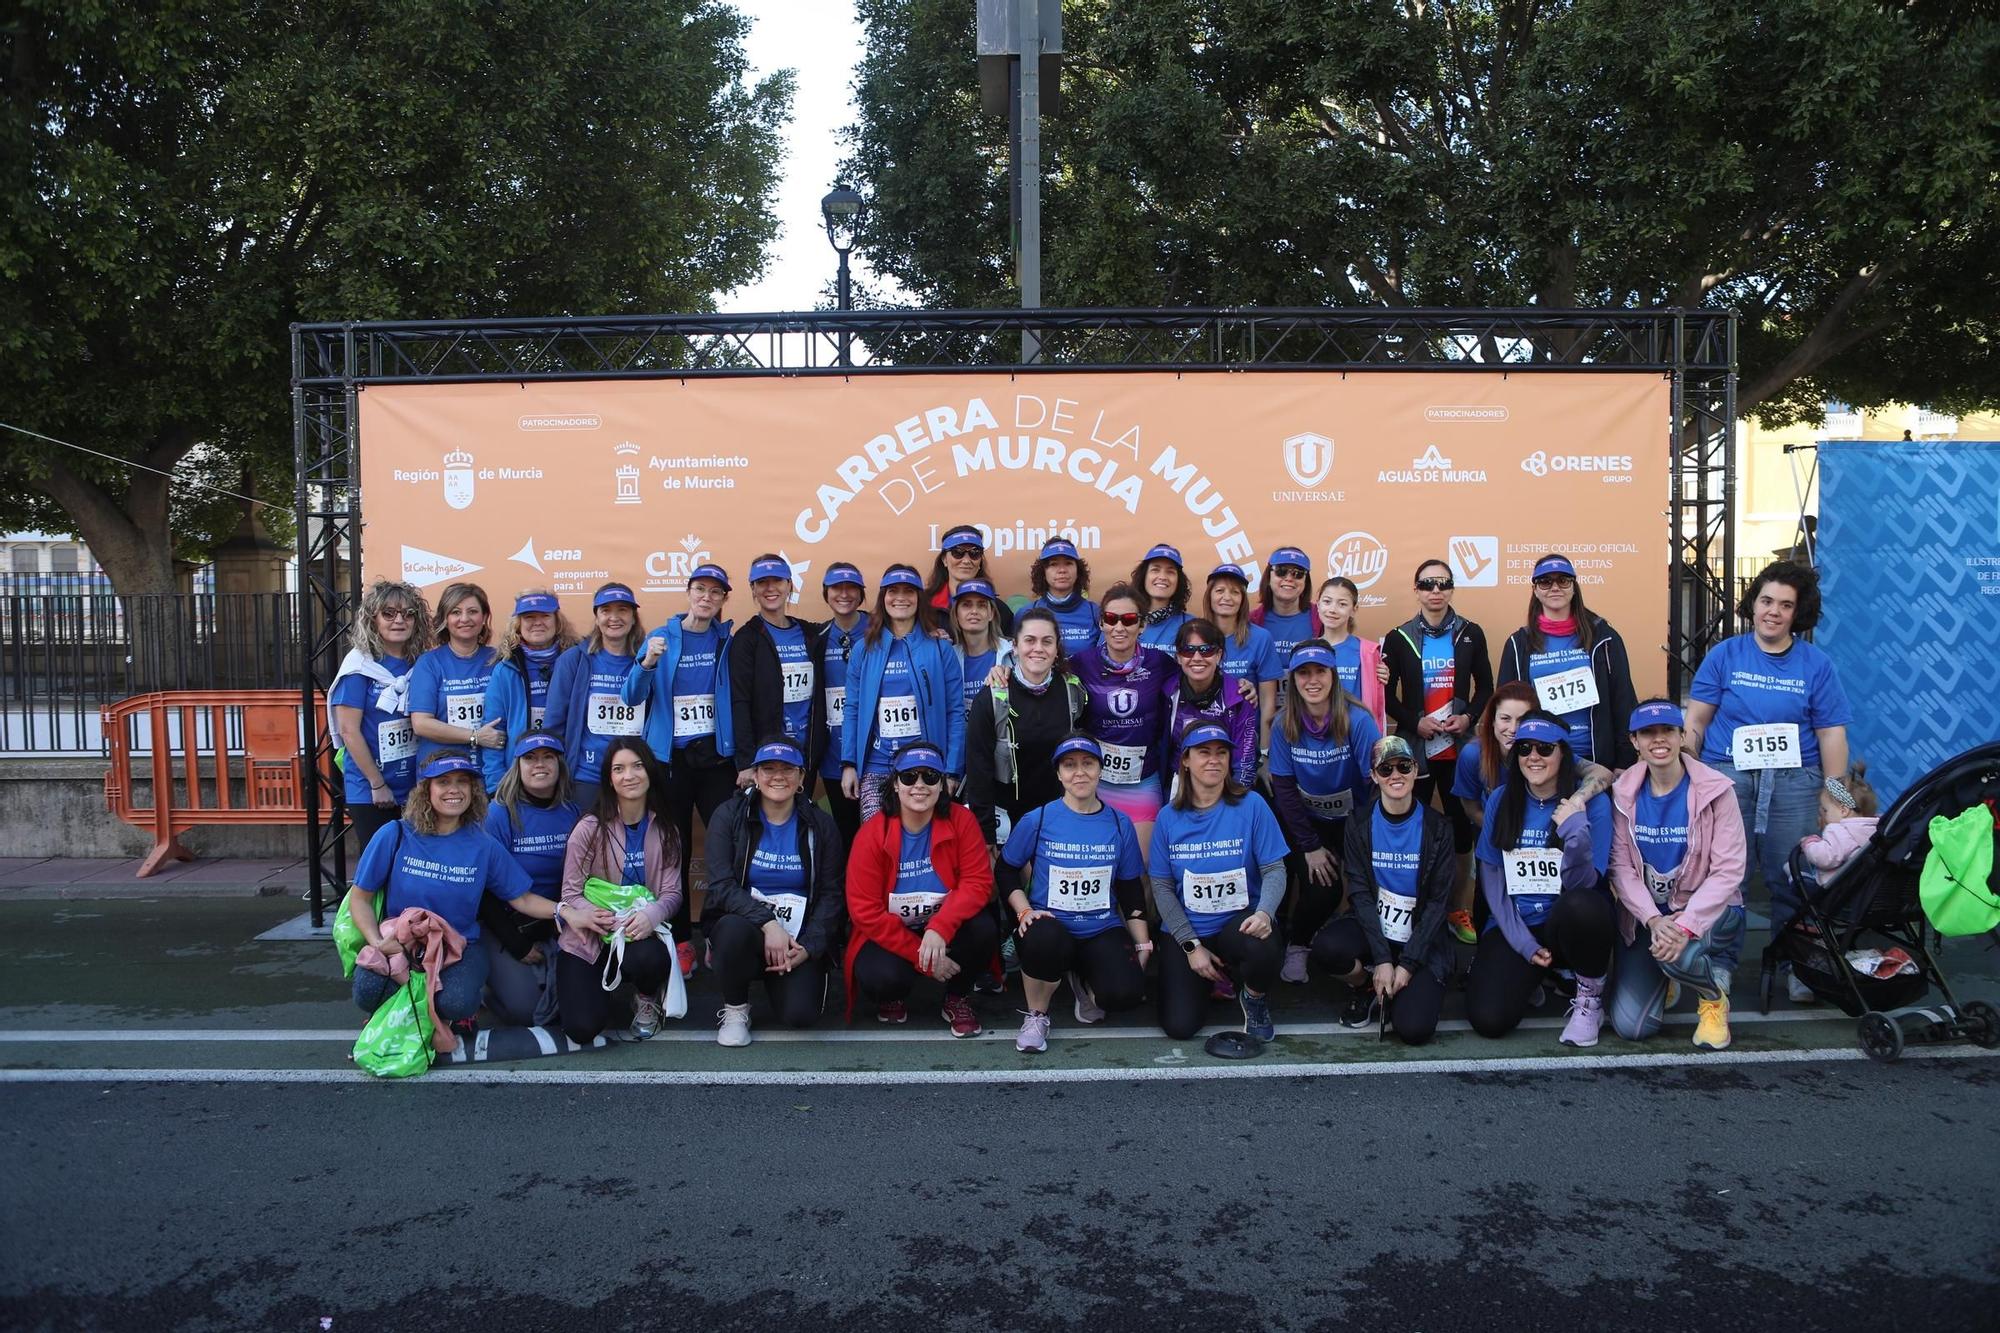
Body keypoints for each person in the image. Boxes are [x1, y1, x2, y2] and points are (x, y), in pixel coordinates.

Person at [1682, 559, 1853, 1002]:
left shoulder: (1817, 665)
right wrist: (1690, 775)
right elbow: (1697, 721)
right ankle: (1718, 964)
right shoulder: (1724, 655)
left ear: (1799, 613)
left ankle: (1799, 962)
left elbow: (1831, 734)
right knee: (1726, 875)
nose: (1773, 612)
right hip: (1728, 776)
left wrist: (1836, 800)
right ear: (1752, 604)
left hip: (1795, 781)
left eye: (1785, 605)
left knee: (1794, 873)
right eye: (1766, 601)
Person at [344, 751, 547, 1028]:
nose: (454, 789)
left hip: (461, 946)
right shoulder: (395, 834)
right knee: (368, 992)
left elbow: (522, 898)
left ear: (472, 791)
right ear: (426, 789)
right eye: (443, 782)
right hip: (401, 942)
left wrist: (567, 911)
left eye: (462, 782)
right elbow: (360, 899)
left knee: (456, 1002)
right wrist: (377, 942)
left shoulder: (483, 844)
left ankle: (452, 1011)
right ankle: (396, 1007)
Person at [1465, 713, 1616, 1047]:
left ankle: (1590, 997)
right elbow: (1492, 879)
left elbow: (1585, 885)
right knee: (1488, 1019)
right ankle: (1532, 975)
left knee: (1585, 906)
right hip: (1519, 924)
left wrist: (1575, 834)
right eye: (1525, 749)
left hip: (1567, 923)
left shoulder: (1595, 804)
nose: (1533, 757)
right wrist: (1523, 943)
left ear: (1564, 755)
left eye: (1545, 749)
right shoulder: (1501, 800)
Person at [1607, 701, 1748, 1051]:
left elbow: (1729, 870)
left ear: (1682, 735)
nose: (1659, 739)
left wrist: (1685, 925)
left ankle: (1712, 999)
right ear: (1634, 741)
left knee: (1681, 955)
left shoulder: (1718, 790)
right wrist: (1654, 920)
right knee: (1631, 1027)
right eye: (1648, 733)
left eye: (1668, 730)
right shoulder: (1622, 792)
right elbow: (1621, 868)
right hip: (1650, 918)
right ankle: (1668, 971)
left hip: (1708, 913)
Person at [999, 734, 1151, 1051]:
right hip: (1049, 925)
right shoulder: (1038, 819)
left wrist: (1142, 941)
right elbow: (1005, 868)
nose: (1079, 773)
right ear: (1058, 774)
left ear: (1100, 769)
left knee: (1126, 994)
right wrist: (1024, 910)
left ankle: (1082, 979)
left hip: (1100, 928)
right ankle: (1036, 1014)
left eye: (1087, 764)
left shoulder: (1120, 824)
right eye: (1069, 765)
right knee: (1044, 939)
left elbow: (1129, 888)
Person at [625, 562, 737, 973]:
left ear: (724, 599)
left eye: (715, 592)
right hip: (670, 760)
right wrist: (647, 663)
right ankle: (681, 939)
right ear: (688, 593)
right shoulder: (660, 638)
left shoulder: (728, 640)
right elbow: (630, 697)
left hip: (717, 758)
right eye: (700, 590)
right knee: (674, 849)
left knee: (726, 843)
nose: (706, 598)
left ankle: (718, 931)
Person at [843, 741, 999, 1035]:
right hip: (894, 929)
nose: (919, 785)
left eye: (930, 777)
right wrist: (920, 956)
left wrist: (939, 928)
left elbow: (978, 882)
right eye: (909, 776)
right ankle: (893, 995)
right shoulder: (872, 834)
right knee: (881, 978)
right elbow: (863, 911)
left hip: (944, 926)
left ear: (942, 785)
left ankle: (957, 997)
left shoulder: (962, 820)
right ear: (895, 784)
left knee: (983, 929)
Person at [1148, 721, 1289, 1042]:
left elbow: (1275, 870)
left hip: (1237, 927)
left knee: (1263, 943)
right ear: (1185, 760)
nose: (1214, 760)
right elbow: (1162, 888)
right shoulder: (1168, 818)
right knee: (1180, 1027)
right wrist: (1191, 946)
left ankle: (1252, 998)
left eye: (1221, 752)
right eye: (1204, 752)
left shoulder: (1252, 805)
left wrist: (1265, 913)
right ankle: (1212, 981)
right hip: (1189, 932)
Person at [1308, 736, 1455, 1043]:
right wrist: (1384, 960)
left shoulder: (1439, 827)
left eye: (1403, 766)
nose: (1395, 775)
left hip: (1420, 937)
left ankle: (1398, 989)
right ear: (1374, 776)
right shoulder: (1359, 823)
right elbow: (1360, 893)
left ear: (1415, 771)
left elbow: (1438, 904)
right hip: (1376, 925)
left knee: (1413, 1030)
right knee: (1326, 949)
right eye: (1385, 769)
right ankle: (1365, 985)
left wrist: (1408, 964)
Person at [703, 738, 847, 1046]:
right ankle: (736, 1008)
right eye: (768, 768)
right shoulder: (729, 816)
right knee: (729, 930)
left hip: (798, 937)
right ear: (755, 776)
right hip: (748, 929)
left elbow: (832, 895)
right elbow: (721, 886)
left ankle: (782, 976)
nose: (777, 776)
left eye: (788, 769)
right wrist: (768, 924)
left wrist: (809, 946)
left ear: (802, 778)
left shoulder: (821, 826)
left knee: (801, 1016)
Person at [1384, 557, 1494, 944]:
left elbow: (1485, 688)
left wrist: (1469, 719)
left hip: (1459, 750)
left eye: (1443, 584)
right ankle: (1409, 908)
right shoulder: (1399, 637)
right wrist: (1415, 722)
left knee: (1462, 832)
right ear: (1416, 590)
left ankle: (1457, 907)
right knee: (1410, 833)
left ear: (1451, 590)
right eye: (1427, 584)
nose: (1435, 591)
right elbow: (1385, 695)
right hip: (1417, 749)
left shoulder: (1470, 632)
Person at [1266, 640, 1382, 983]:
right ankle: (1298, 944)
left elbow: (1374, 786)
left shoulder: (1358, 721)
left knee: (1370, 884)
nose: (1312, 680)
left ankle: (1372, 952)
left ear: (1333, 676)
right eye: (1303, 672)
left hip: (1355, 819)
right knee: (1323, 887)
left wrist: (1361, 842)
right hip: (1308, 823)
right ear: (1294, 678)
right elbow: (1284, 789)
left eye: (1320, 671)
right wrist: (1310, 846)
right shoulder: (1283, 725)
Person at [555, 736, 682, 1044]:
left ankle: (646, 996)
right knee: (582, 1028)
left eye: (638, 766)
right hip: (591, 932)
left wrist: (651, 916)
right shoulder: (588, 828)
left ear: (650, 773)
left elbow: (672, 893)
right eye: (619, 769)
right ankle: (597, 988)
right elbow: (570, 894)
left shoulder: (666, 829)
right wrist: (592, 916)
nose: (629, 775)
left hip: (637, 935)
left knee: (650, 959)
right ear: (609, 779)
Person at [843, 565, 967, 824]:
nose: (901, 597)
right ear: (883, 597)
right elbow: (852, 709)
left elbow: (955, 712)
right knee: (877, 841)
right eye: (893, 591)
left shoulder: (940, 649)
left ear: (919, 598)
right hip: (877, 765)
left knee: (919, 844)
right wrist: (849, 764)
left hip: (925, 766)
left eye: (909, 591)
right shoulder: (863, 650)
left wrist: (952, 770)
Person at [479, 731, 583, 1027]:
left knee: (572, 1004)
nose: (540, 765)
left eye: (548, 757)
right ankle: (489, 984)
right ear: (518, 765)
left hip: (557, 922)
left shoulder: (572, 811)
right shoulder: (498, 813)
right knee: (526, 1012)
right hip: (508, 924)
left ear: (560, 764)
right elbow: (483, 891)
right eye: (530, 758)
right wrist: (516, 944)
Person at [1495, 553, 1638, 769]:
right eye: (1545, 581)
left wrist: (1624, 761)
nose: (1555, 588)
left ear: (1574, 587)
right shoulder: (1518, 643)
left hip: (1595, 758)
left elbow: (1623, 699)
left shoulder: (1605, 637)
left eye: (1563, 580)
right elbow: (1505, 706)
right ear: (1535, 589)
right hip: (1540, 757)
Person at [963, 607, 1087, 848]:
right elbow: (978, 769)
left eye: (1047, 641)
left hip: (1057, 816)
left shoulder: (1073, 691)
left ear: (1056, 648)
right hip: (1006, 819)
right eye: (1029, 640)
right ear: (1015, 647)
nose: (1038, 648)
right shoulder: (992, 697)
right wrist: (985, 834)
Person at [1071, 581, 1180, 851]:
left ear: (1141, 625)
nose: (1119, 627)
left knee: (1142, 866)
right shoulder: (1080, 663)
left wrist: (1240, 687)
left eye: (1129, 620)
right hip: (1095, 782)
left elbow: (1199, 679)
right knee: (1100, 863)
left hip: (1142, 781)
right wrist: (1001, 674)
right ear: (1101, 624)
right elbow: (1039, 679)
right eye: (1111, 619)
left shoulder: (1160, 663)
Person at [331, 579, 430, 852]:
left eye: (408, 614)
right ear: (372, 619)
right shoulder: (359, 666)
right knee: (379, 867)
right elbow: (348, 731)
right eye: (389, 613)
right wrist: (377, 784)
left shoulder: (422, 662)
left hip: (415, 787)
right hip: (372, 789)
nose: (399, 620)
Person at [1454, 682, 1613, 832]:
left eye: (1522, 720)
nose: (1513, 729)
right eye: (1505, 718)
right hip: (1496, 835)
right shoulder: (1473, 754)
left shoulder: (1544, 753)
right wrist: (1501, 837)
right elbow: (1472, 809)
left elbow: (1603, 773)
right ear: (1493, 721)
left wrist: (1576, 800)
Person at [543, 581, 647, 811]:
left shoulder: (647, 660)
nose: (614, 617)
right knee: (588, 845)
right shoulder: (573, 660)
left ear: (633, 616)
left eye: (622, 610)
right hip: (587, 777)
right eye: (606, 610)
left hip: (636, 777)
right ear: (597, 617)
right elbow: (554, 723)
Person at [728, 554, 824, 789]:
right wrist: (746, 761)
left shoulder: (809, 633)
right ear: (753, 588)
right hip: (768, 756)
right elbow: (739, 702)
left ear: (789, 585)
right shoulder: (746, 639)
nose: (770, 589)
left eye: (777, 581)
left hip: (806, 753)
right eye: (762, 582)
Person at [478, 589, 579, 793]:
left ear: (557, 621)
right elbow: (494, 730)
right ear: (518, 624)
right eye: (529, 617)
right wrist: (496, 787)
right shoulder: (505, 669)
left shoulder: (577, 662)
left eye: (545, 616)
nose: (537, 622)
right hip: (519, 776)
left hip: (569, 772)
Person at [407, 581, 502, 762]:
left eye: (473, 611)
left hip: (489, 769)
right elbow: (421, 724)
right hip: (441, 771)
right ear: (445, 619)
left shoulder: (499, 659)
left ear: (484, 618)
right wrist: (475, 736)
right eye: (456, 612)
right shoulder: (429, 662)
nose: (464, 619)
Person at [812, 563, 871, 846]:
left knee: (881, 836)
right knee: (846, 836)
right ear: (826, 594)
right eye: (837, 588)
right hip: (835, 754)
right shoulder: (816, 637)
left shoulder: (881, 629)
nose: (844, 594)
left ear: (861, 594)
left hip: (878, 755)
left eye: (851, 588)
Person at [1163, 617, 1259, 788]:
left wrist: (1235, 803)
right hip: (1176, 785)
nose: (1197, 657)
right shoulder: (1165, 691)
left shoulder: (1239, 697)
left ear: (1219, 655)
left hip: (1224, 786)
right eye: (1188, 650)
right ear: (1178, 657)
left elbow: (1244, 764)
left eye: (1206, 650)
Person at [1203, 563, 1280, 751]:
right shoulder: (1195, 636)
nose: (1227, 597)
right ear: (1209, 596)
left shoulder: (1261, 638)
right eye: (1220, 590)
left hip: (1245, 743)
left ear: (1243, 599)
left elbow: (1268, 701)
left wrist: (1264, 751)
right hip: (1204, 740)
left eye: (1235, 592)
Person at [1315, 575, 1386, 730]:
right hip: (1317, 739)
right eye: (1327, 602)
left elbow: (1376, 708)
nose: (1332, 609)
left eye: (1342, 604)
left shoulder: (1367, 651)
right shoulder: (1307, 650)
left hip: (1356, 736)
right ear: (1318, 605)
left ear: (1354, 610)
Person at [926, 523, 1015, 635]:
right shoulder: (925, 606)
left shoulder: (998, 609)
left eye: (974, 553)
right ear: (944, 559)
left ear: (980, 562)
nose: (966, 560)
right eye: (957, 552)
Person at [1800, 761, 1880, 882]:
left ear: (1844, 810)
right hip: (1863, 888)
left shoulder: (1838, 830)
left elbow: (1824, 857)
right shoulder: (1876, 828)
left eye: (1825, 810)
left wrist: (1809, 843)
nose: (1822, 815)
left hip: (1837, 890)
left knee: (1792, 876)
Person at [1026, 536, 1099, 654]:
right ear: (1043, 572)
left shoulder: (1094, 612)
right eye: (1054, 564)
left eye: (1068, 563)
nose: (1062, 570)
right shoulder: (1027, 612)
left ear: (1078, 571)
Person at [948, 578, 1012, 710]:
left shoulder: (1012, 654)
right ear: (956, 614)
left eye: (981, 605)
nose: (974, 611)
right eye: (966, 605)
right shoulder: (948, 657)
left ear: (991, 614)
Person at [1252, 545, 1319, 664]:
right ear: (1268, 577)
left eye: (1297, 574)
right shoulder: (1251, 621)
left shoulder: (1321, 618)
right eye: (1281, 571)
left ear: (1305, 582)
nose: (1289, 578)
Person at [1130, 543, 1192, 649]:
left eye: (1170, 572)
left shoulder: (1190, 625)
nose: (1162, 577)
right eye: (1155, 570)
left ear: (1179, 580)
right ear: (1144, 576)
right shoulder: (1123, 619)